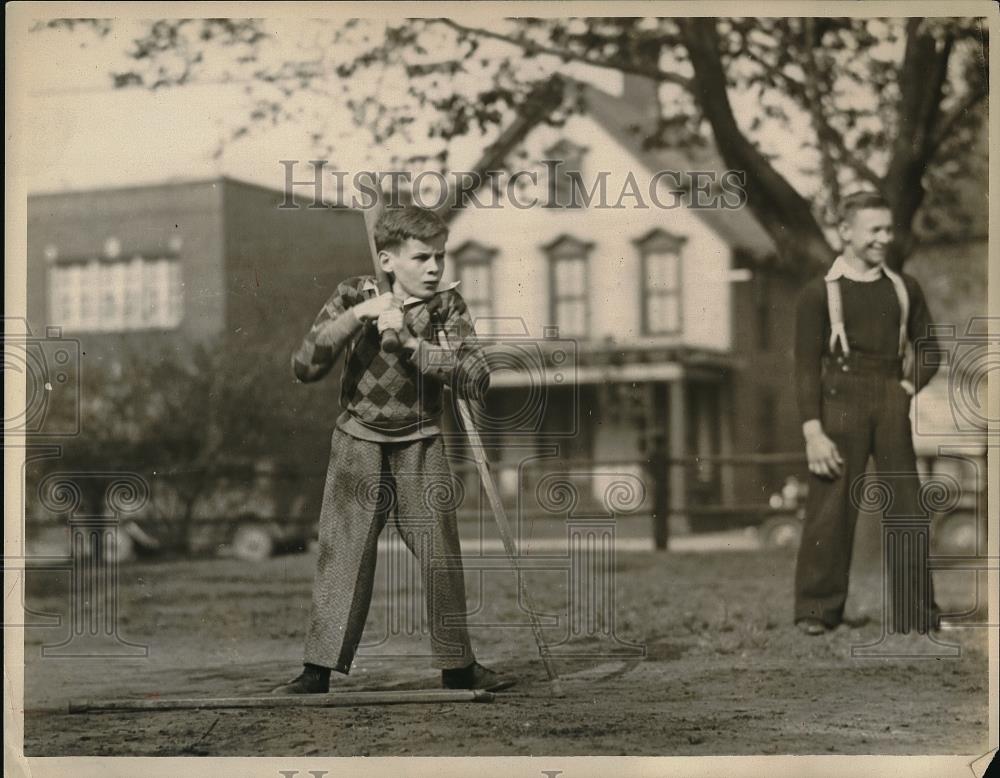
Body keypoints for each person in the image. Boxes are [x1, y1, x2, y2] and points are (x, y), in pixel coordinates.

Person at [272, 204, 515, 693]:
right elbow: (304, 365)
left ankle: (458, 666)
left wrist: (410, 344)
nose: (434, 268)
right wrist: (360, 318)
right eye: (422, 258)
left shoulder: (446, 306)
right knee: (344, 555)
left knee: (440, 554)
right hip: (358, 439)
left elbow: (476, 379)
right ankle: (317, 672)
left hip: (420, 442)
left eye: (439, 257)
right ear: (387, 261)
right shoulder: (353, 294)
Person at [793, 191, 941, 636]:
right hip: (838, 400)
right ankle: (816, 610)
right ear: (845, 232)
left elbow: (929, 349)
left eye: (888, 229)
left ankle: (916, 614)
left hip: (891, 399)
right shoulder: (818, 293)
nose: (883, 238)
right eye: (874, 229)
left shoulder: (904, 288)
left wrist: (909, 387)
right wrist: (813, 431)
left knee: (907, 508)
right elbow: (804, 368)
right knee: (830, 507)